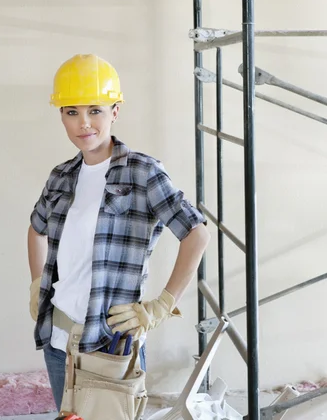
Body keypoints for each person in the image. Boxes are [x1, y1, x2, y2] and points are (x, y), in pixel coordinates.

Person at [27, 53, 210, 411]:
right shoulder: (61, 176)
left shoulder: (143, 172)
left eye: (95, 110)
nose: (83, 123)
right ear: (61, 115)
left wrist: (161, 305)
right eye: (71, 112)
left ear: (115, 111)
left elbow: (196, 233)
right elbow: (36, 230)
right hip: (58, 341)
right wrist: (37, 285)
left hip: (109, 343)